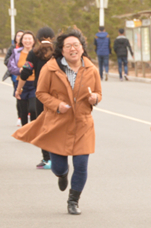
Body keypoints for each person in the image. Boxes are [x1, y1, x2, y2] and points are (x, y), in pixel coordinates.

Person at [12, 29, 102, 215]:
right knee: (59, 166)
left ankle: (73, 201)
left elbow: (98, 93)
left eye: (76, 45)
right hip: (58, 123)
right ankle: (62, 174)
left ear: (82, 48)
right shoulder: (50, 68)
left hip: (83, 123)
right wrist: (57, 105)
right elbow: (40, 92)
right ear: (61, 49)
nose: (73, 49)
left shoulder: (91, 69)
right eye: (68, 46)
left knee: (81, 164)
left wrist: (95, 98)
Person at [16, 26, 56, 169]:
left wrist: (19, 89)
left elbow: (25, 72)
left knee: (44, 125)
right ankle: (59, 157)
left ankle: (47, 159)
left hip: (41, 94)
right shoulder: (58, 52)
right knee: (57, 125)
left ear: (37, 40)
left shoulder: (34, 53)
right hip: (58, 95)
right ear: (53, 38)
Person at [8, 31, 37, 130]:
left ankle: (33, 130)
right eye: (25, 38)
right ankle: (25, 131)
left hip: (34, 84)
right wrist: (19, 70)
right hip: (21, 83)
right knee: (23, 111)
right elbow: (10, 66)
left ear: (34, 41)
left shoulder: (37, 52)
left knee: (33, 109)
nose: (27, 41)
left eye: (30, 39)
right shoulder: (16, 52)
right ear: (21, 41)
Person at [3, 30, 24, 96]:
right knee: (17, 90)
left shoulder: (27, 48)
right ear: (15, 38)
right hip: (15, 72)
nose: (20, 37)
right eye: (18, 36)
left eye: (22, 36)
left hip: (25, 71)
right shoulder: (12, 48)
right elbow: (6, 61)